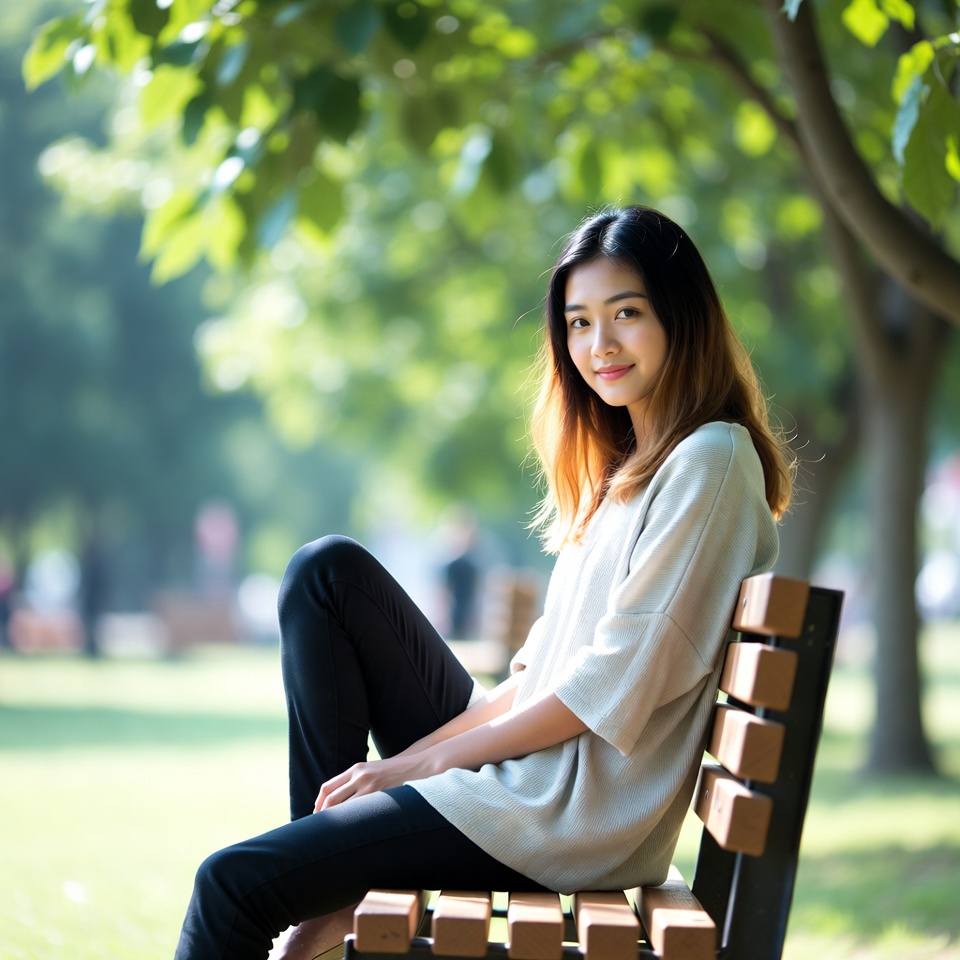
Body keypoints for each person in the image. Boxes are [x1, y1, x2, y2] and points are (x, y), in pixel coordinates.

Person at [173, 205, 793, 960]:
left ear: (681, 318)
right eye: (578, 322)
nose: (600, 345)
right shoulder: (629, 469)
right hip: (528, 778)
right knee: (326, 573)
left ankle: (320, 878)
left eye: (626, 314)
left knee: (232, 884)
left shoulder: (712, 462)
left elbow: (608, 684)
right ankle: (326, 873)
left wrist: (416, 763)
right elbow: (534, 681)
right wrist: (397, 769)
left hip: (563, 813)